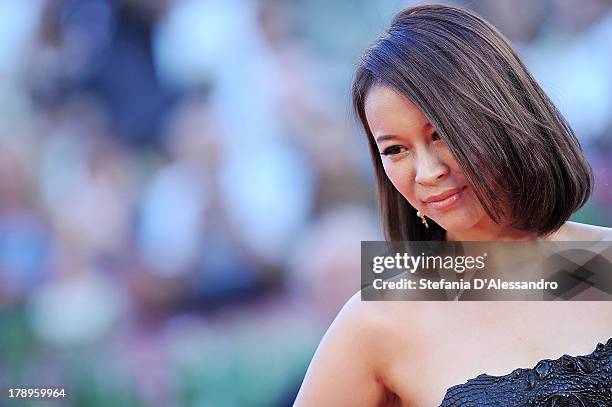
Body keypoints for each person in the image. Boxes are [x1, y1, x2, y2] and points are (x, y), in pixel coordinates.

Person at [294, 4, 612, 406]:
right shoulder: (378, 322)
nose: (427, 172)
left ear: (502, 116)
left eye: (441, 134)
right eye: (395, 149)